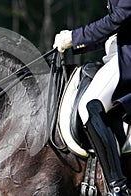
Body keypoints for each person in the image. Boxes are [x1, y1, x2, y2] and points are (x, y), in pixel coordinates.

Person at [53, 1, 131, 195]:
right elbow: (116, 29)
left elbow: (120, 17)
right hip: (119, 52)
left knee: (90, 105)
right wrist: (74, 41)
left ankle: (117, 187)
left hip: (127, 55)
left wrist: (75, 37)